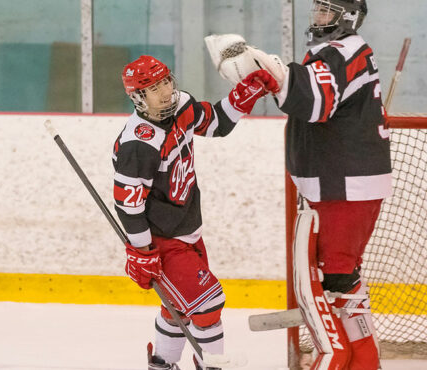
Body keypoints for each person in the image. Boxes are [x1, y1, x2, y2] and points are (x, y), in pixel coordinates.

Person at [113, 55, 278, 370]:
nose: (163, 92)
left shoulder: (183, 106)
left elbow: (216, 122)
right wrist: (142, 251)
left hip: (189, 229)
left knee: (180, 307)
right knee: (208, 303)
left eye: (164, 82)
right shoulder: (139, 143)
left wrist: (247, 92)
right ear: (138, 96)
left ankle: (162, 364)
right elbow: (128, 204)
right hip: (162, 239)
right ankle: (213, 366)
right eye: (152, 88)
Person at [272, 0, 391, 369]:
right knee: (340, 279)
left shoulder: (342, 52)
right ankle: (362, 361)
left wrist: (273, 71)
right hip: (343, 181)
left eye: (327, 11)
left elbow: (315, 102)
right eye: (318, 10)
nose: (318, 17)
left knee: (335, 277)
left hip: (344, 182)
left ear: (348, 16)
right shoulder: (335, 52)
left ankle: (342, 359)